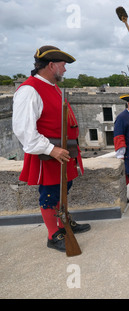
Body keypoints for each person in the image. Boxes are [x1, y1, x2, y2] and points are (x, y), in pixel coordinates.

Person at [12, 45, 90, 252]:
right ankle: (53, 234)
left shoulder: (51, 85)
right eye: (63, 65)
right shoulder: (29, 90)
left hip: (64, 152)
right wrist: (50, 149)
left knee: (65, 188)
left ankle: (63, 223)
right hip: (49, 154)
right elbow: (23, 130)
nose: (65, 70)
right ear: (52, 65)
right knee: (50, 193)